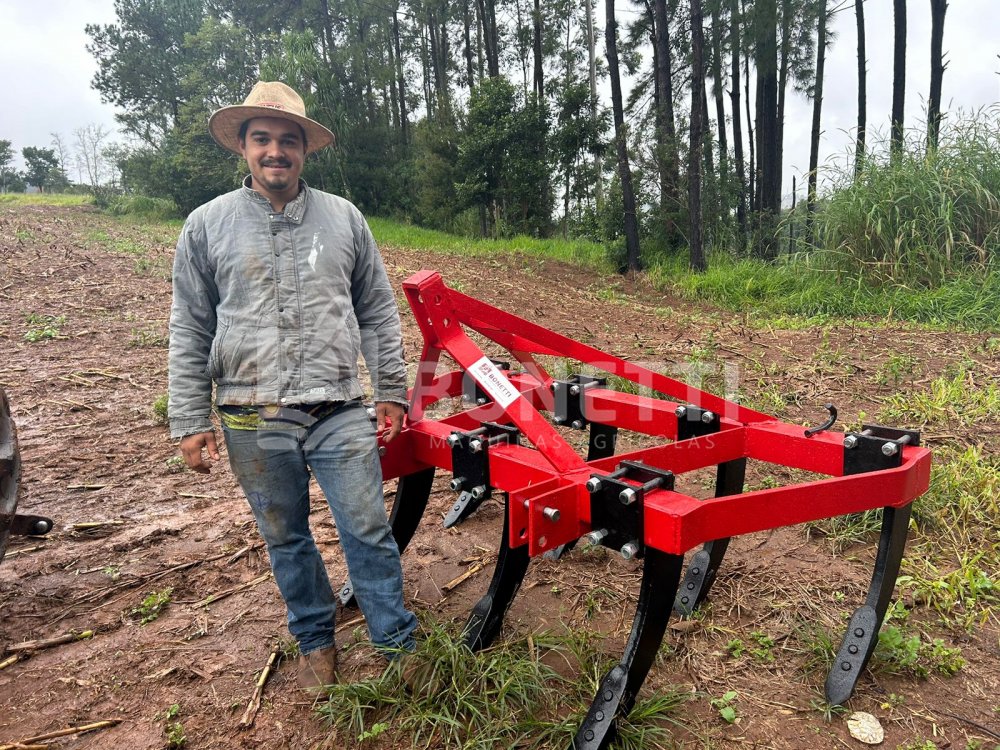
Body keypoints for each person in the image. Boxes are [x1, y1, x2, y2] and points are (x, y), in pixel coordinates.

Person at [167, 81, 417, 692]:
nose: (275, 151)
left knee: (367, 528)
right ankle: (315, 640)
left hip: (337, 406)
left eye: (287, 140)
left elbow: (378, 310)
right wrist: (189, 417)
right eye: (262, 140)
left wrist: (390, 387)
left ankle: (396, 643)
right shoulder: (207, 227)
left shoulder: (344, 219)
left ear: (304, 150)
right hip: (252, 414)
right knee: (285, 535)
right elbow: (190, 324)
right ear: (244, 149)